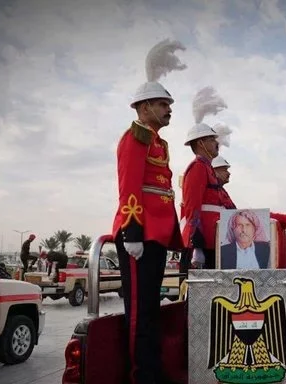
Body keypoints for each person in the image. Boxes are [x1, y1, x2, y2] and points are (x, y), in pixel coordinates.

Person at [111, 39, 186, 384]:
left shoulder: (157, 140)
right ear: (143, 108)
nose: (169, 109)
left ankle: (152, 370)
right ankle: (142, 376)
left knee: (150, 310)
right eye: (162, 104)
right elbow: (129, 187)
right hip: (139, 235)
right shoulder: (136, 137)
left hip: (155, 235)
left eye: (169, 103)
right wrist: (133, 231)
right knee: (140, 312)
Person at [180, 86, 227, 270]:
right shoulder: (198, 167)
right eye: (211, 139)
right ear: (200, 143)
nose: (217, 143)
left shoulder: (207, 168)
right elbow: (193, 208)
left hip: (212, 241)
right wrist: (196, 244)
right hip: (200, 244)